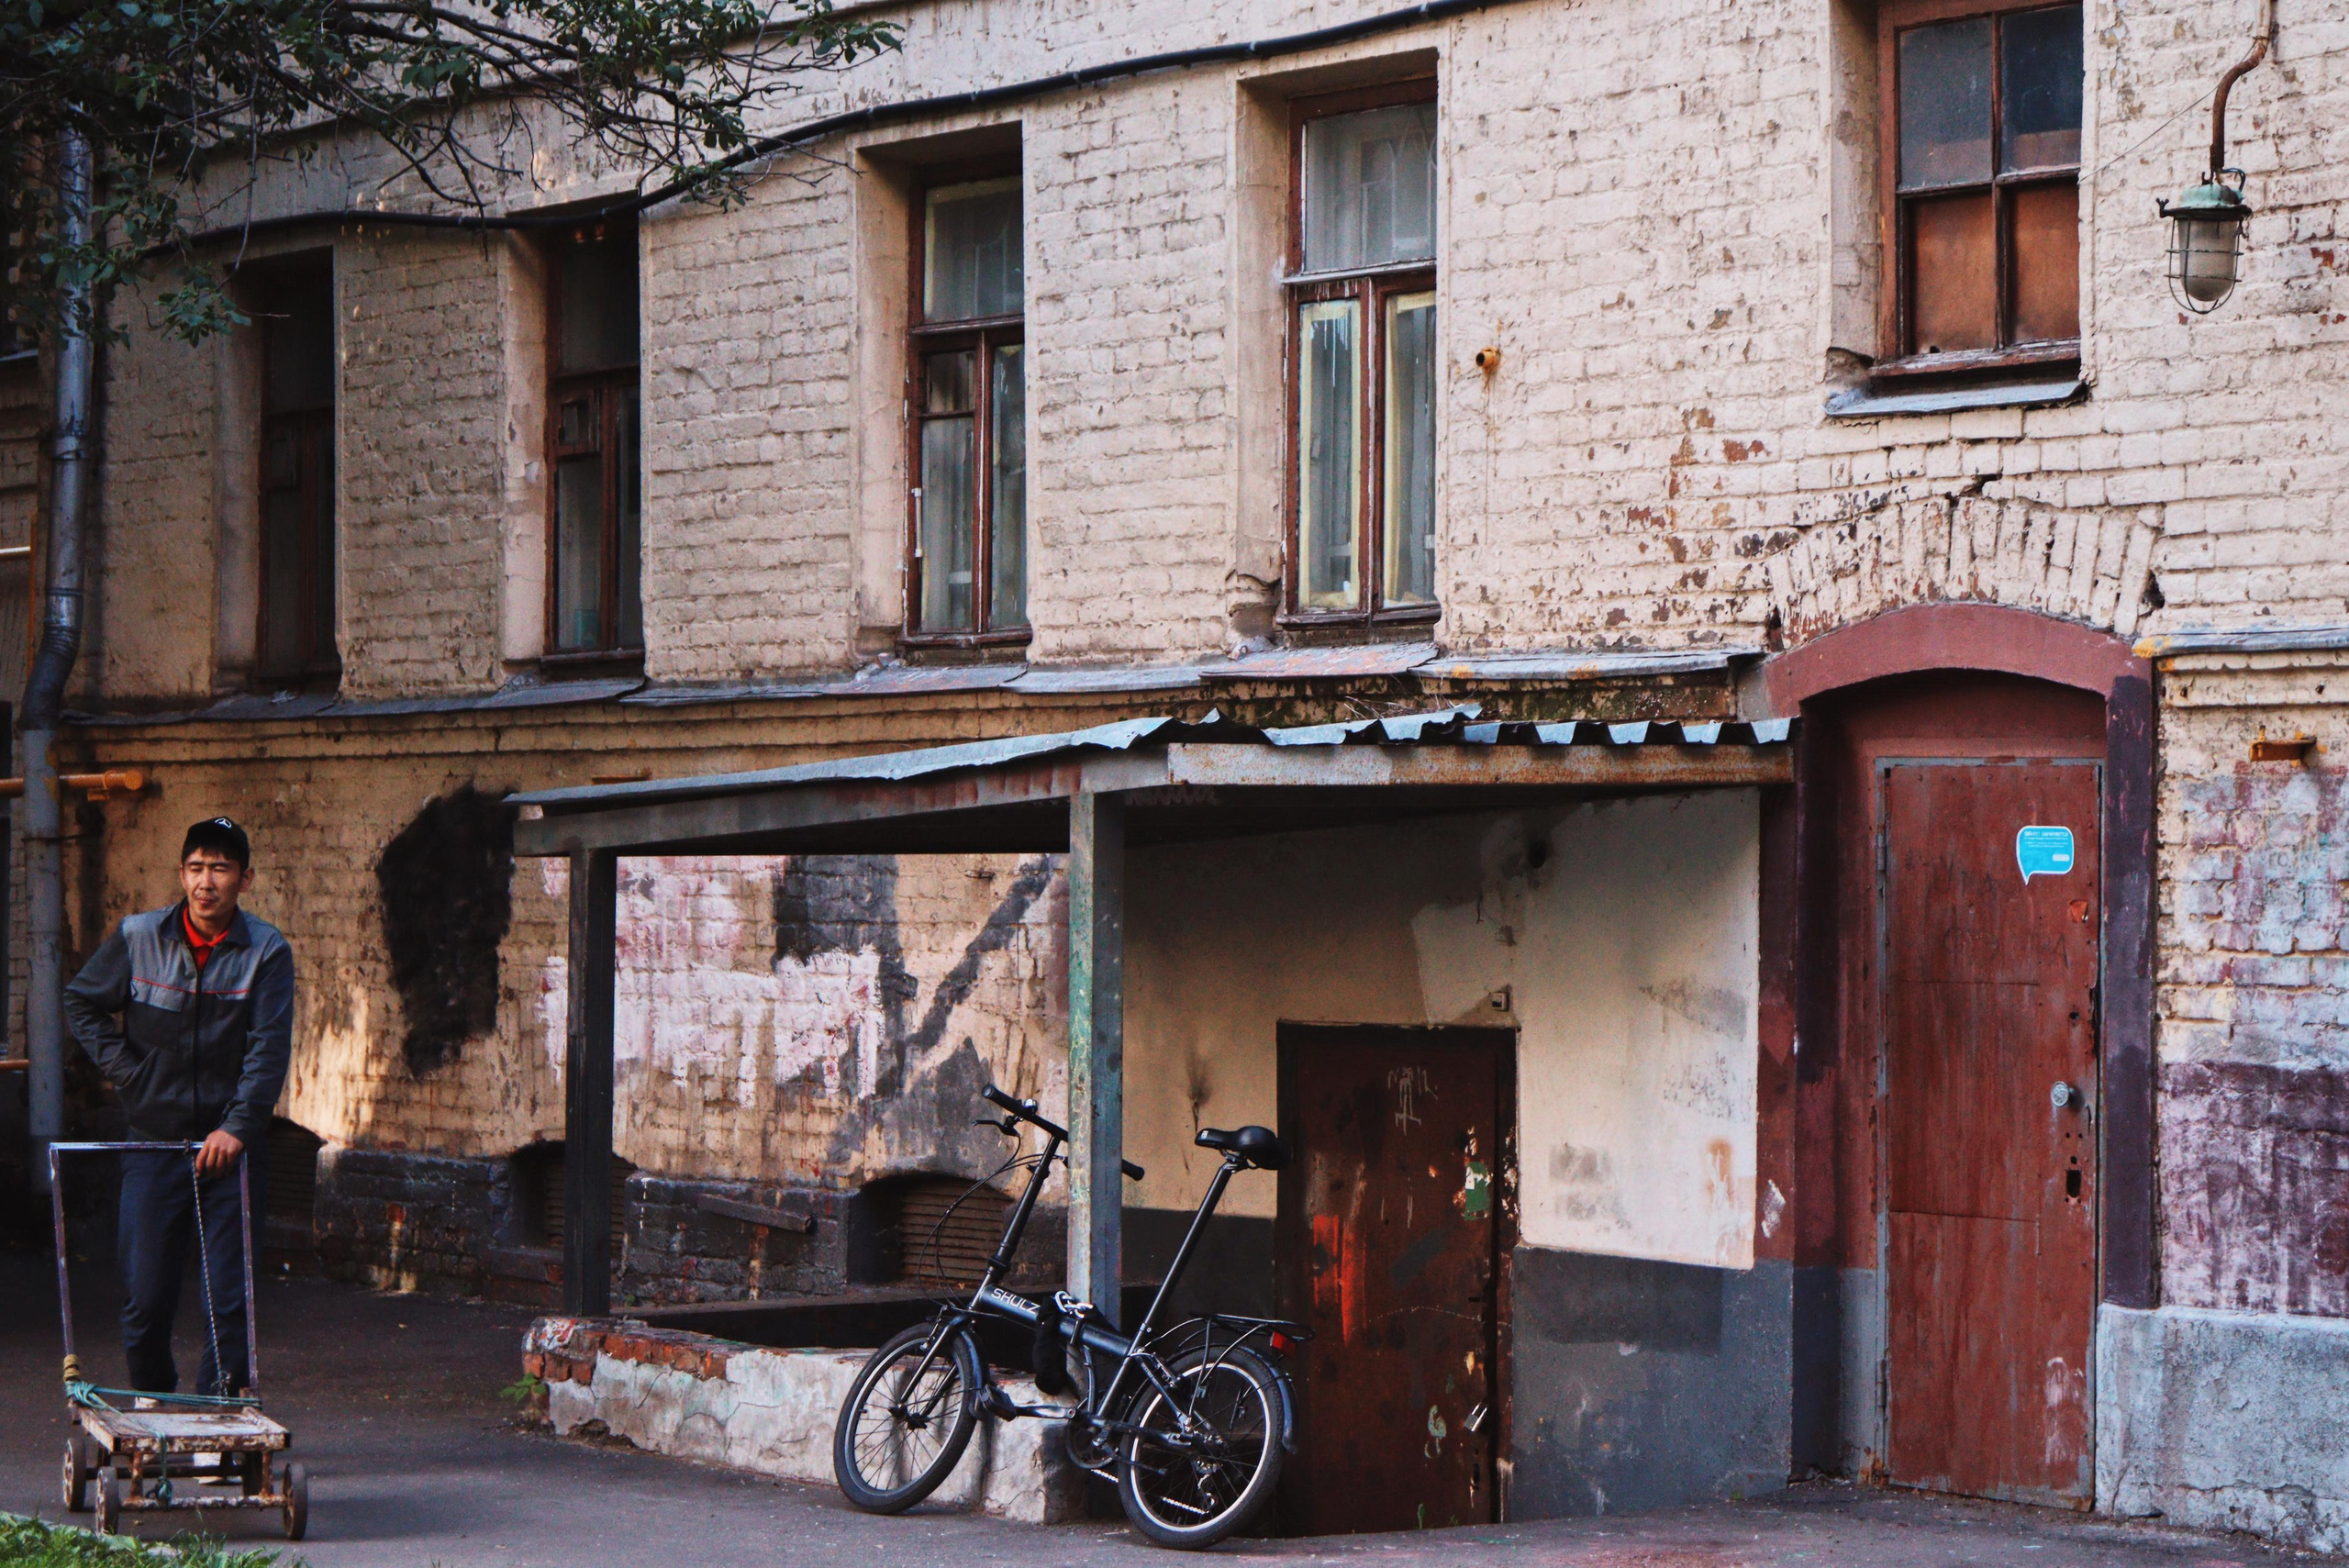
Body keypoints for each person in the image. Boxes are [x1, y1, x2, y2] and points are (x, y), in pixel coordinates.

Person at [64, 817, 295, 1397]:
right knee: (146, 1294)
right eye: (196, 868)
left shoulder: (265, 950)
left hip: (231, 1149)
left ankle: (219, 1418)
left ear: (244, 879)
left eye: (220, 868)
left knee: (230, 1295)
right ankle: (155, 1403)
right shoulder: (140, 937)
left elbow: (268, 1049)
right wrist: (130, 1075)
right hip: (152, 1141)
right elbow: (81, 1002)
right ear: (182, 873)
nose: (206, 882)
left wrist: (238, 1128)